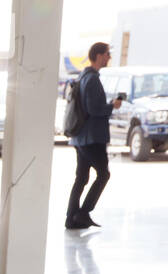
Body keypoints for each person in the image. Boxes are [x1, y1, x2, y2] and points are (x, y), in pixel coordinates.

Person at [65, 42, 123, 229]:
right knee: (103, 174)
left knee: (81, 177)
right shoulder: (92, 80)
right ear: (98, 55)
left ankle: (71, 217)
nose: (109, 58)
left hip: (80, 136)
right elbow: (94, 109)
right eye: (107, 54)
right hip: (92, 137)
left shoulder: (83, 77)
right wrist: (111, 106)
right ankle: (83, 213)